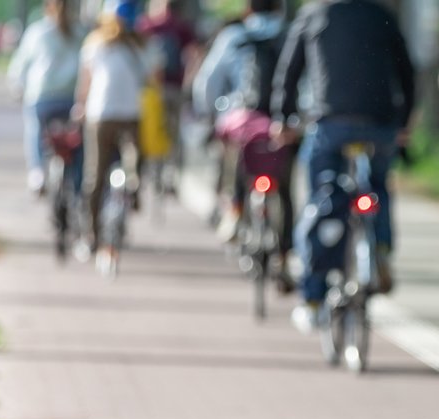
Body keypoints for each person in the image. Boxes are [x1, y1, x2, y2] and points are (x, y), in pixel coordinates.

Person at [271, 0, 416, 332]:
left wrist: (282, 118)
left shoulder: (313, 14)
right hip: (380, 124)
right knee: (377, 185)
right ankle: (379, 247)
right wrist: (403, 121)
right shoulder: (383, 16)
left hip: (330, 122)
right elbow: (406, 70)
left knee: (322, 196)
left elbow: (289, 71)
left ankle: (312, 297)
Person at [193, 0, 292, 285]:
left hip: (241, 118)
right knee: (284, 188)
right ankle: (284, 256)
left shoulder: (233, 36)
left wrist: (211, 114)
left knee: (235, 160)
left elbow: (208, 83)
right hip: (279, 124)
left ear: (249, 9)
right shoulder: (290, 34)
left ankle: (234, 209)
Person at [75, 0, 160, 258]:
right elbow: (154, 81)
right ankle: (131, 195)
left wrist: (80, 106)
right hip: (131, 116)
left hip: (99, 116)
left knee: (95, 176)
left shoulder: (95, 43)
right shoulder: (144, 46)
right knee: (133, 163)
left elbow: (85, 82)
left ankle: (90, 235)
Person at [8, 0, 83, 194]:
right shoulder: (81, 31)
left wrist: (17, 86)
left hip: (42, 96)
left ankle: (37, 171)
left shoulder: (37, 31)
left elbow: (20, 64)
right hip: (72, 98)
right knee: (79, 138)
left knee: (35, 127)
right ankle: (79, 180)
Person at [137, 0, 197, 171]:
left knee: (153, 129)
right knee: (174, 130)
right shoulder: (183, 27)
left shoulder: (147, 25)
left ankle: (153, 168)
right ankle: (172, 170)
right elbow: (194, 54)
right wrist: (188, 79)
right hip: (176, 86)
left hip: (152, 89)